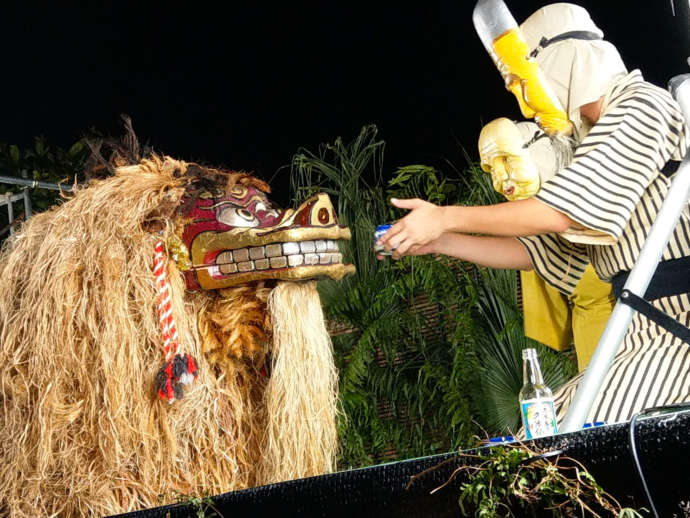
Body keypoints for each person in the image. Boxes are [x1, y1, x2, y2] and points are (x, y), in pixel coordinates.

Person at [377, 3, 690, 426]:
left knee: (569, 443)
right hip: (642, 331)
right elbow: (534, 250)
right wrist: (438, 241)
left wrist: (446, 217)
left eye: (527, 83)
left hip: (678, 331)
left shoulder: (642, 107)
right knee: (539, 429)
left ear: (568, 60)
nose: (525, 103)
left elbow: (558, 213)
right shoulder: (589, 142)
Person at [478, 117, 615, 372]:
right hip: (598, 361)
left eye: (507, 159)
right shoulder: (538, 234)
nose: (500, 179)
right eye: (491, 169)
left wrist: (444, 221)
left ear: (540, 148)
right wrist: (438, 237)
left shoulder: (605, 186)